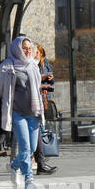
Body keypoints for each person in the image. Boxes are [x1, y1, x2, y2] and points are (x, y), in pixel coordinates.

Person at [0, 36, 44, 189]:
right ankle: (29, 180)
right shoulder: (7, 66)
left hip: (34, 113)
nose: (27, 50)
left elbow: (37, 91)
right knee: (25, 147)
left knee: (31, 149)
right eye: (24, 47)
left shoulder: (33, 65)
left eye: (29, 48)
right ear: (17, 48)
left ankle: (13, 166)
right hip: (17, 114)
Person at [32, 43, 58, 175]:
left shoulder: (45, 63)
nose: (35, 55)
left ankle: (39, 160)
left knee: (41, 129)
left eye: (38, 53)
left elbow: (51, 80)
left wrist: (50, 79)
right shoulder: (31, 64)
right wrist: (41, 79)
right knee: (36, 131)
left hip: (45, 98)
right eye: (35, 52)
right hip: (35, 101)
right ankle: (21, 162)